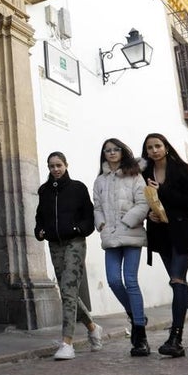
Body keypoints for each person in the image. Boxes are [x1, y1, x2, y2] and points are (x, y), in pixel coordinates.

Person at [141, 133, 188, 357]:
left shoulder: (183, 170)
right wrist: (149, 213)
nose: (154, 150)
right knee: (180, 283)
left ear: (166, 147)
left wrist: (162, 191)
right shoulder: (144, 173)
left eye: (158, 146)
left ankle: (176, 338)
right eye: (150, 148)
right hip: (161, 233)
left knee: (176, 280)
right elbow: (141, 199)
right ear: (146, 152)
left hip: (182, 231)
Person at [34, 152, 106, 360]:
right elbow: (40, 216)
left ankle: (67, 343)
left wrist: (78, 229)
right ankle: (93, 327)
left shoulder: (77, 188)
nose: (55, 169)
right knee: (68, 292)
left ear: (66, 165)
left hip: (74, 243)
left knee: (68, 291)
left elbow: (88, 216)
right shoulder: (44, 191)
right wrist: (40, 230)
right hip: (54, 244)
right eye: (51, 166)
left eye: (58, 165)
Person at [93, 138, 151, 357]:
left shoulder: (135, 176)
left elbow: (143, 203)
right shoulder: (99, 181)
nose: (112, 153)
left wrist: (126, 222)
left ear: (122, 151)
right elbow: (97, 206)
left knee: (131, 280)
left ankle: (140, 333)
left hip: (132, 233)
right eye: (107, 150)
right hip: (110, 237)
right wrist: (102, 224)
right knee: (113, 280)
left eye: (115, 149)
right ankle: (134, 312)